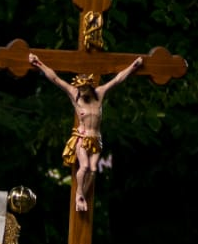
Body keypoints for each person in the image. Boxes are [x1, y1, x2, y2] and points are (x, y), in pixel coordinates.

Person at [26, 52, 144, 215]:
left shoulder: (99, 94)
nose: (81, 91)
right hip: (82, 137)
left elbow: (117, 80)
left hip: (96, 139)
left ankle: (82, 196)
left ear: (89, 86)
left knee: (94, 169)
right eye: (80, 88)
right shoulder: (75, 95)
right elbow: (56, 79)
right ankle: (79, 194)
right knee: (86, 166)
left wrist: (133, 66)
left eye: (84, 88)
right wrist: (38, 63)